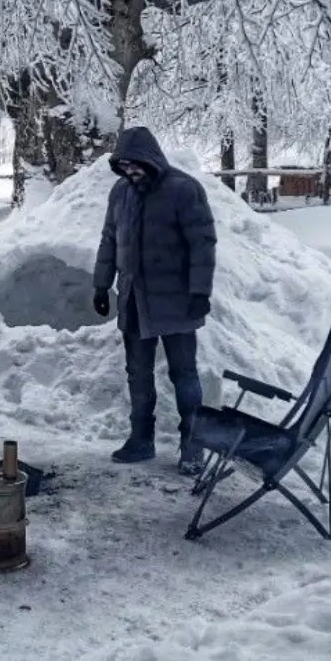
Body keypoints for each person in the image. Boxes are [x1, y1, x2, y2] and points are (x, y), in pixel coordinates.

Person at [92, 126, 217, 474]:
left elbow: (202, 245)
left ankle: (193, 447)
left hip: (177, 301)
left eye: (136, 166)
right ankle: (140, 439)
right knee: (138, 374)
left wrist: (200, 293)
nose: (130, 173)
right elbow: (109, 239)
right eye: (124, 167)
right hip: (134, 299)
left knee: (184, 374)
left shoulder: (184, 190)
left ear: (150, 159)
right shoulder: (120, 192)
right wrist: (102, 285)